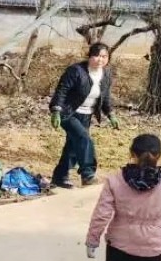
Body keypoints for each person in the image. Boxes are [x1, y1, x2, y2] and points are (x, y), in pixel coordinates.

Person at [49, 42, 118, 189]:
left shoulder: (106, 74)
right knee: (84, 138)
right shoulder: (76, 71)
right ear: (89, 56)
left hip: (86, 115)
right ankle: (88, 174)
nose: (100, 59)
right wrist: (56, 110)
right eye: (97, 56)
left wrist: (110, 114)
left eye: (104, 56)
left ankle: (59, 177)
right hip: (68, 113)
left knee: (73, 146)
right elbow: (62, 90)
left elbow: (105, 97)